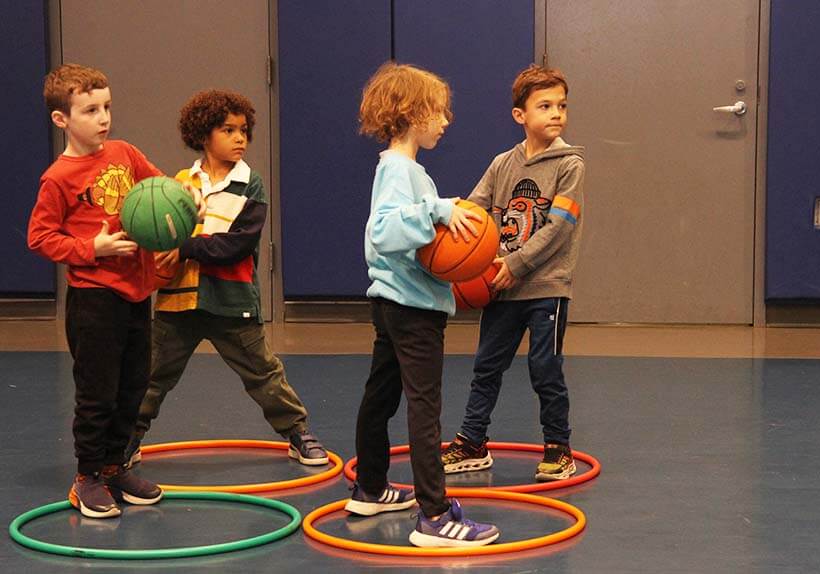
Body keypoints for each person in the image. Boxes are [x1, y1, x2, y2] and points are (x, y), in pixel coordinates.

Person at [126, 89, 328, 468]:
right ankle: (128, 439)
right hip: (178, 302)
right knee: (152, 376)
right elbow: (162, 235)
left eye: (244, 130)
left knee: (264, 374)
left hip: (233, 304)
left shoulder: (251, 185)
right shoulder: (180, 184)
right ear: (204, 134)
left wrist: (185, 248)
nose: (240, 138)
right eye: (228, 130)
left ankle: (298, 433)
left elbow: (237, 245)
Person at [345, 61, 500, 548]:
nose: (446, 120)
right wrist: (438, 208)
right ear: (412, 113)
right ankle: (433, 515)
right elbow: (383, 232)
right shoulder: (400, 169)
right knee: (424, 407)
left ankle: (369, 487)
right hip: (412, 312)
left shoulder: (401, 169)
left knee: (381, 397)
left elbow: (404, 243)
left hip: (396, 303)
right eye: (440, 111)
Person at [28, 63, 168, 518]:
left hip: (135, 293)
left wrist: (186, 200)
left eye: (106, 107)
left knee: (133, 388)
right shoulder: (58, 177)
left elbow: (158, 187)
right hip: (94, 300)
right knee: (97, 393)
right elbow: (41, 237)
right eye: (90, 110)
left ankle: (114, 467)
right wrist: (93, 247)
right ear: (62, 119)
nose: (104, 118)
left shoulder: (124, 153)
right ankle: (86, 477)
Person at [441, 64, 585, 482]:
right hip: (500, 287)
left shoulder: (570, 165)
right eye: (545, 106)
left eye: (562, 105)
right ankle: (472, 442)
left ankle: (559, 449)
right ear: (520, 115)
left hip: (545, 287)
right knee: (486, 365)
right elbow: (474, 208)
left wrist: (516, 264)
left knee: (545, 368)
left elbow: (559, 228)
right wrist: (456, 249)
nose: (556, 113)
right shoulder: (502, 164)